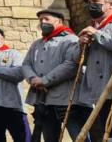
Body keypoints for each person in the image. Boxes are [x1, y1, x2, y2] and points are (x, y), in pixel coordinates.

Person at [21, 9, 83, 142]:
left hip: (67, 100)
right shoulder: (37, 44)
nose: (43, 22)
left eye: (46, 19)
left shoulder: (71, 39)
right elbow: (26, 65)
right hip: (43, 100)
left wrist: (45, 80)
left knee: (79, 137)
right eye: (40, 20)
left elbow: (71, 65)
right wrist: (33, 79)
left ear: (59, 21)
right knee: (49, 138)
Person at [76, 0, 112, 139]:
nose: (91, 6)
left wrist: (97, 34)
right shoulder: (95, 29)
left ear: (111, 5)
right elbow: (81, 61)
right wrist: (82, 46)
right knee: (110, 131)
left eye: (95, 2)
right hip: (101, 92)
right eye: (89, 3)